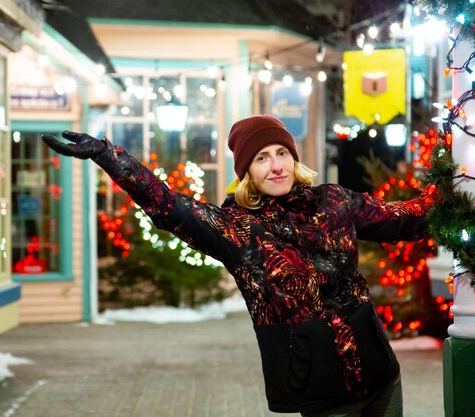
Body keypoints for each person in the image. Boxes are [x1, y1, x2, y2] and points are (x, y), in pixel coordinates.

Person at [42, 115, 432, 417]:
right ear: (247, 171)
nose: (276, 166)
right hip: (321, 384)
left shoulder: (333, 201)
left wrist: (459, 184)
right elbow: (169, 206)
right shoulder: (237, 229)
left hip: (380, 369)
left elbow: (404, 217)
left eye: (281, 153)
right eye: (262, 159)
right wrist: (110, 156)